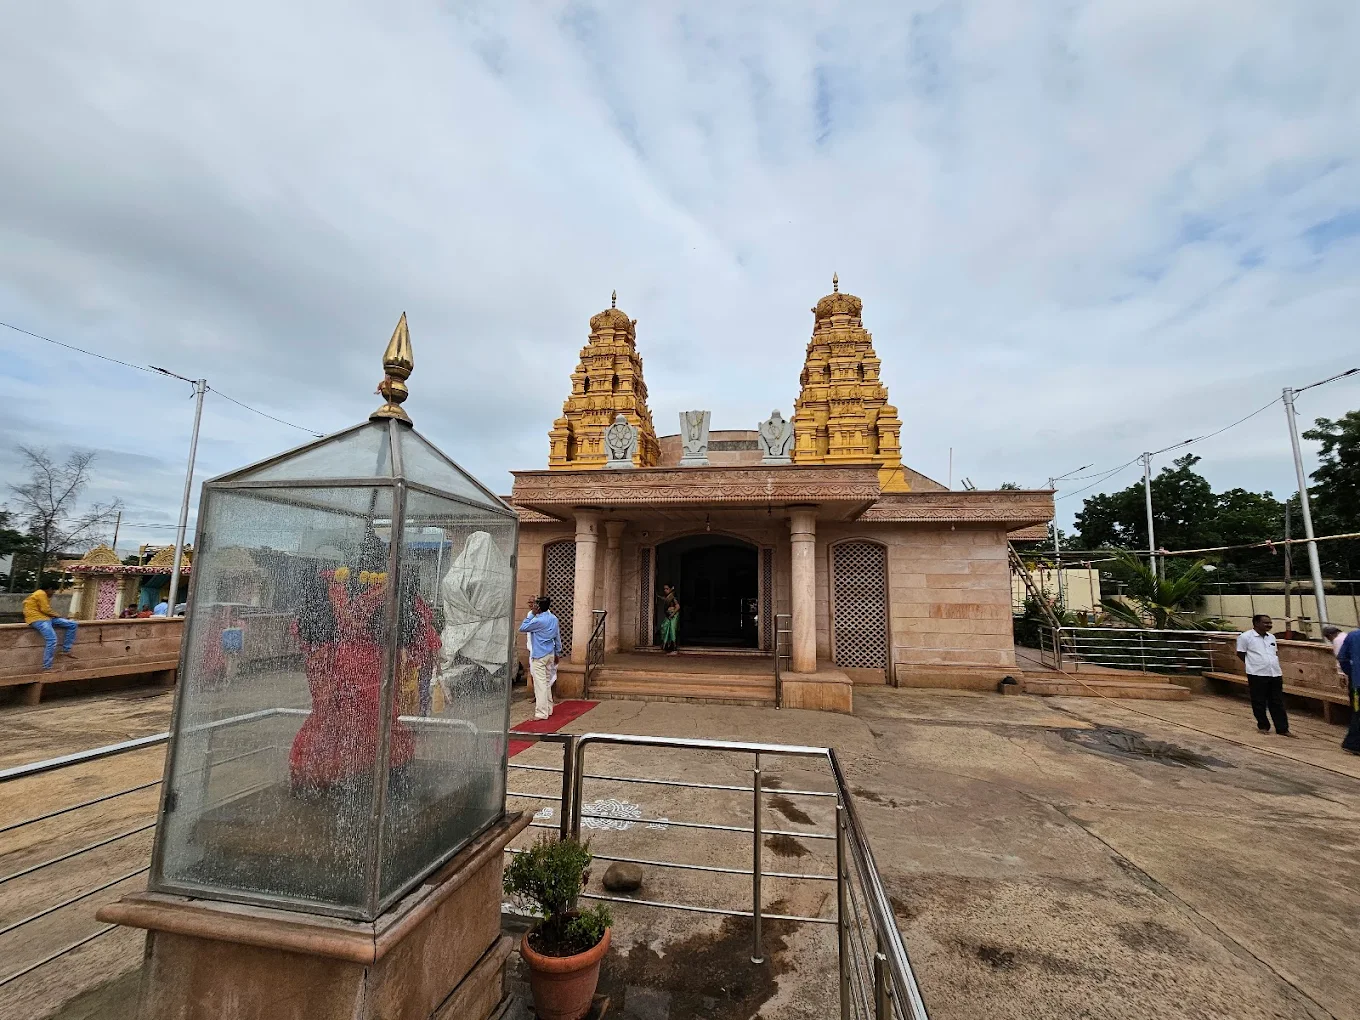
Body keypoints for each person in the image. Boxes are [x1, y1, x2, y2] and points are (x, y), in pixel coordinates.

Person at [436, 531, 514, 703]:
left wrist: (469, 615)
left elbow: (450, 587)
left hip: (474, 628)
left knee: (472, 665)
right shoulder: (503, 576)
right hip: (486, 630)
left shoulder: (459, 573)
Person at [1236, 614, 1291, 736]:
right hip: (1257, 674)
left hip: (1274, 673)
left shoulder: (1271, 637)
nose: (1269, 625)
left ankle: (1282, 728)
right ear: (1256, 623)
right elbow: (1240, 653)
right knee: (1259, 701)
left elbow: (1274, 653)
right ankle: (1263, 726)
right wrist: (1253, 664)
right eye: (1266, 623)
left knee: (1277, 701)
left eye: (1270, 623)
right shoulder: (1245, 637)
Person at [519, 596, 563, 720]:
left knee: (540, 684)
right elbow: (557, 637)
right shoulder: (554, 618)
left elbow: (523, 627)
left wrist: (531, 614)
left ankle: (541, 712)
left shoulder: (538, 620)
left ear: (538, 607)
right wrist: (557, 652)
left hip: (539, 655)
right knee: (547, 682)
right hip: (550, 653)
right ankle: (548, 708)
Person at [24, 585, 77, 671]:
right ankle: (47, 667)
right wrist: (57, 615)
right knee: (52, 640)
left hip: (46, 618)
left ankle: (66, 650)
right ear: (49, 589)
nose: (53, 593)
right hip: (38, 619)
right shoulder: (40, 593)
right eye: (53, 591)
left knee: (72, 624)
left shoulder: (42, 594)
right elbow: (45, 609)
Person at [1339, 628, 1360, 755]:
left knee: (1357, 712)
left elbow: (1342, 658)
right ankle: (1352, 743)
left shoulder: (1352, 636)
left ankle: (1352, 743)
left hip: (1356, 683)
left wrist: (1352, 673)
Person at [658, 583, 680, 655]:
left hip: (673, 616)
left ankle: (674, 649)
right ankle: (668, 647)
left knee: (672, 631)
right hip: (669, 616)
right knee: (664, 627)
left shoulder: (673, 597)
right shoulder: (668, 597)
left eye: (667, 589)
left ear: (671, 589)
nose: (665, 590)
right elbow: (665, 599)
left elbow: (678, 607)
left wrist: (672, 614)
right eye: (664, 589)